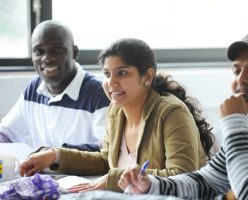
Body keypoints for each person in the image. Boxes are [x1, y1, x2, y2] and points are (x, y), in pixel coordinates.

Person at [118, 32, 248, 200]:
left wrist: (235, 122)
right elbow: (206, 182)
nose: (241, 79)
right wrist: (150, 185)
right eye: (237, 71)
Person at [19, 38, 214, 192]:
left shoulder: (171, 112)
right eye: (106, 74)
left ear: (147, 77)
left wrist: (114, 179)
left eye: (122, 73)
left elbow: (183, 176)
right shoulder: (116, 110)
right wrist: (54, 155)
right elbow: (106, 161)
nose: (111, 84)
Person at [0, 20, 110, 150]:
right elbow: (6, 135)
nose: (47, 58)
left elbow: (107, 149)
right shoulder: (34, 89)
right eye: (39, 51)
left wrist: (55, 156)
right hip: (41, 171)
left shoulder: (99, 93)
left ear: (74, 52)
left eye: (57, 50)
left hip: (82, 171)